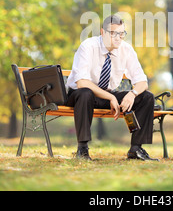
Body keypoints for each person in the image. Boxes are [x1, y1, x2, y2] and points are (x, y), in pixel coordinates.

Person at [66, 15, 158, 161]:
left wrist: (132, 94)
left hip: (108, 96)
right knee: (85, 93)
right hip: (79, 95)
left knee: (147, 97)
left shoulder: (126, 49)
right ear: (103, 32)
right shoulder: (88, 46)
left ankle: (136, 149)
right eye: (113, 33)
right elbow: (82, 82)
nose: (118, 38)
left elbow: (142, 81)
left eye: (121, 33)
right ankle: (82, 150)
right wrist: (111, 97)